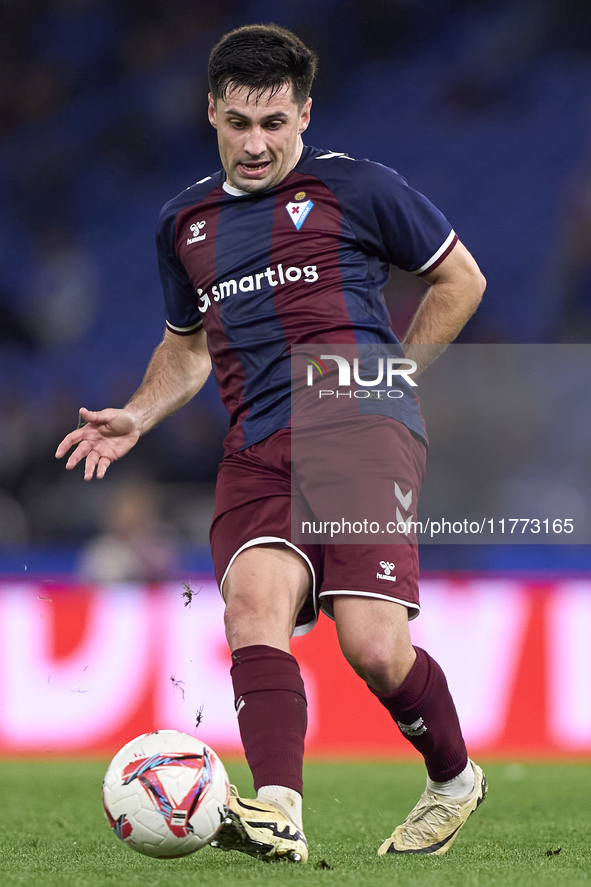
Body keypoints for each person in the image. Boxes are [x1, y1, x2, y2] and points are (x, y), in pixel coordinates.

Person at [56, 23, 487, 863]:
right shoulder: (183, 223)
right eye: (239, 124)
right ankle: (279, 808)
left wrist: (393, 376)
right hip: (256, 445)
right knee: (252, 605)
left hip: (360, 431)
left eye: (275, 124)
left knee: (372, 646)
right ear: (211, 114)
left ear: (304, 115)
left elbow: (458, 277)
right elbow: (186, 346)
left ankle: (454, 776)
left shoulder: (358, 189)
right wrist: (139, 414)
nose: (256, 144)